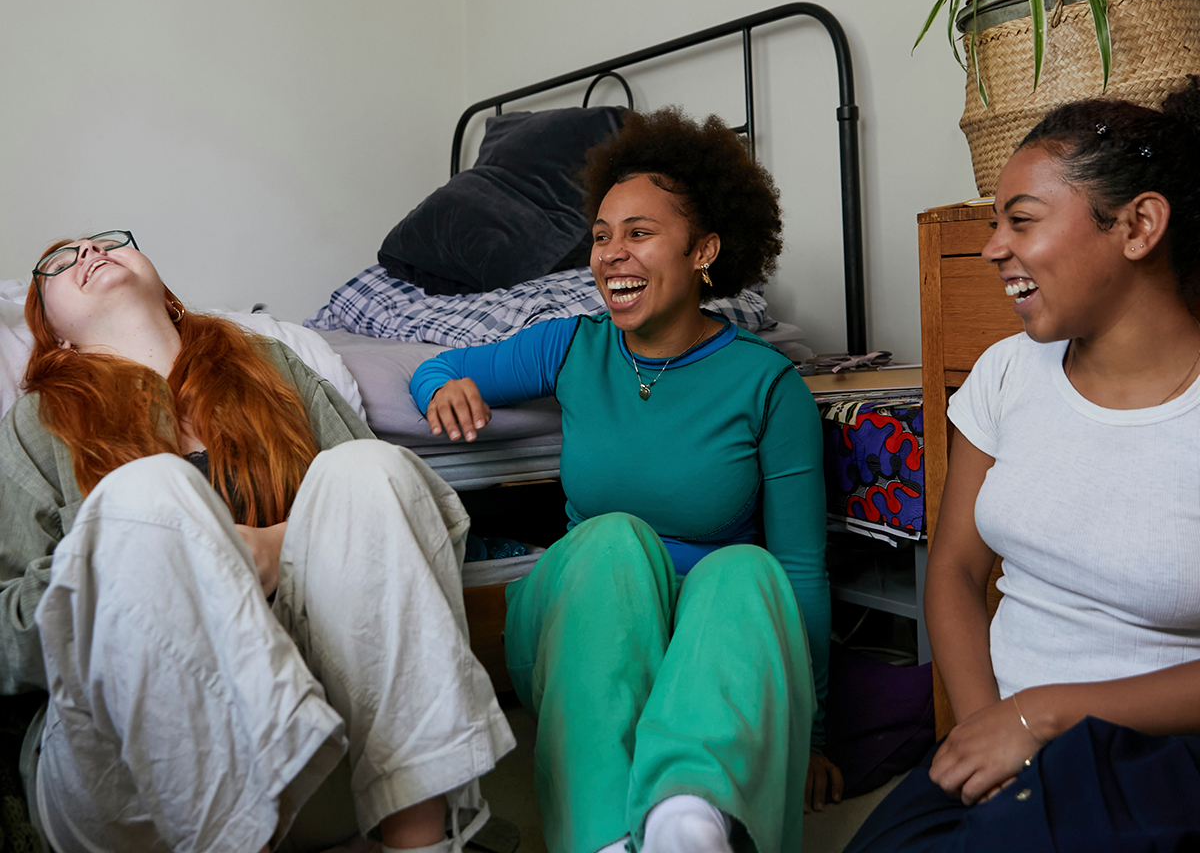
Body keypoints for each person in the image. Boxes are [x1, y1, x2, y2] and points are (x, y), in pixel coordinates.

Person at [410, 107, 840, 853]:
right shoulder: (571, 345)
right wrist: (438, 391)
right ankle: (605, 837)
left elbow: (800, 570)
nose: (611, 254)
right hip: (583, 625)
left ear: (705, 249)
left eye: (639, 233)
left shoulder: (769, 385)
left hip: (708, 646)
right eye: (602, 235)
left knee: (748, 569)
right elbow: (437, 366)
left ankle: (690, 820)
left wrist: (808, 722)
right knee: (616, 540)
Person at [0, 230, 515, 852]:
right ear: (52, 331)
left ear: (163, 289)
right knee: (149, 491)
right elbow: (6, 642)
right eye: (59, 261)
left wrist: (277, 548)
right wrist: (134, 562)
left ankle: (420, 843)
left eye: (106, 241)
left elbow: (394, 519)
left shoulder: (270, 367)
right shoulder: (34, 425)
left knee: (370, 469)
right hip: (128, 787)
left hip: (339, 756)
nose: (88, 253)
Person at [846, 79, 1200, 851]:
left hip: (1165, 752)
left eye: (1022, 221)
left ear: (1139, 224)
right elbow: (954, 570)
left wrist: (1042, 715)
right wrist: (985, 727)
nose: (992, 246)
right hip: (1004, 730)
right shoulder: (1008, 372)